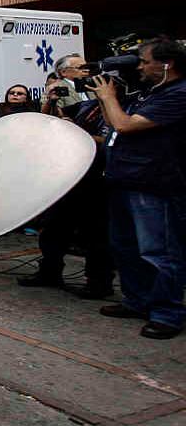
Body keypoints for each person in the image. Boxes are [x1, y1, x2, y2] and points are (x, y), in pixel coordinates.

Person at [93, 38, 186, 340]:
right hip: (124, 179)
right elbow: (113, 124)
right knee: (125, 247)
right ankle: (137, 300)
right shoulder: (150, 92)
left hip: (153, 185)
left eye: (145, 62)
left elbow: (126, 126)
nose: (141, 68)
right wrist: (103, 98)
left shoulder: (178, 94)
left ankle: (167, 314)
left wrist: (109, 97)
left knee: (158, 251)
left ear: (167, 64)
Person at [20, 55, 115, 298]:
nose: (85, 73)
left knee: (95, 233)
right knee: (54, 228)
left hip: (97, 178)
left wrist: (78, 135)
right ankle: (50, 271)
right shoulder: (85, 106)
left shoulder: (114, 105)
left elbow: (113, 137)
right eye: (80, 68)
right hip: (68, 177)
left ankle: (99, 282)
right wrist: (51, 102)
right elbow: (49, 122)